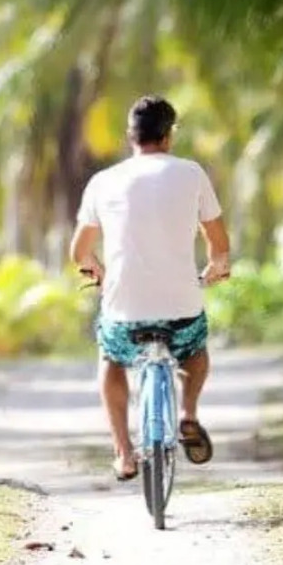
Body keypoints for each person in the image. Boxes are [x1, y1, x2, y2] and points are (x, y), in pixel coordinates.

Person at [70, 95, 231, 482]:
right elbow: (219, 244)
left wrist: (96, 270)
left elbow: (79, 251)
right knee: (194, 350)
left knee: (111, 358)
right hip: (180, 305)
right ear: (168, 135)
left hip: (124, 307)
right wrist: (215, 269)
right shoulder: (191, 173)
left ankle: (124, 453)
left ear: (130, 136)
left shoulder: (102, 181)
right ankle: (187, 414)